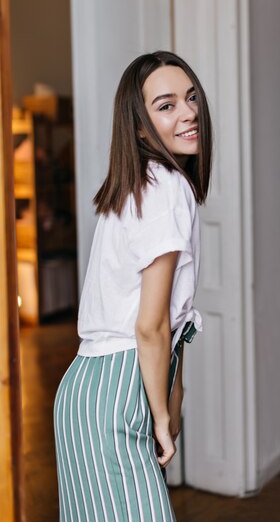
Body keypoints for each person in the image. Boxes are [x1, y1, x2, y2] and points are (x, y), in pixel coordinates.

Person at [54, 51, 213, 522]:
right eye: (166, 106)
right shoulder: (164, 188)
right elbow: (151, 324)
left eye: (191, 98)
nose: (188, 112)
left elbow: (172, 326)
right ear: (140, 127)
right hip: (117, 397)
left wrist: (171, 401)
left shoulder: (137, 184)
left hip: (88, 394)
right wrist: (162, 416)